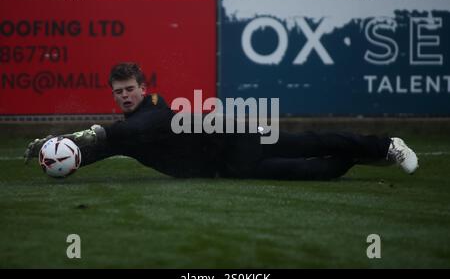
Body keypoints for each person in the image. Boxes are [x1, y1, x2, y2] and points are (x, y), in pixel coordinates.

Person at [24, 63, 418, 180]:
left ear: (143, 88)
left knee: (309, 140)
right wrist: (62, 150)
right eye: (119, 91)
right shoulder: (124, 131)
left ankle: (384, 145)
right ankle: (361, 156)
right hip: (228, 167)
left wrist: (91, 133)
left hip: (236, 134)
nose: (125, 95)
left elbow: (134, 129)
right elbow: (105, 146)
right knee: (316, 172)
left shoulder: (156, 107)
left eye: (130, 88)